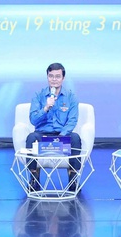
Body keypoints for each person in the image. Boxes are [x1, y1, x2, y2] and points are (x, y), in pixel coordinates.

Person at [25, 62, 82, 190]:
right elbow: (33, 120)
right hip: (42, 134)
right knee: (31, 138)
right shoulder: (38, 96)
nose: (54, 79)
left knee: (75, 138)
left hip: (62, 134)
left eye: (57, 76)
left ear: (63, 78)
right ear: (47, 77)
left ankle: (73, 179)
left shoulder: (71, 97)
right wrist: (46, 108)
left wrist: (61, 136)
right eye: (51, 76)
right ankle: (34, 178)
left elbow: (72, 120)